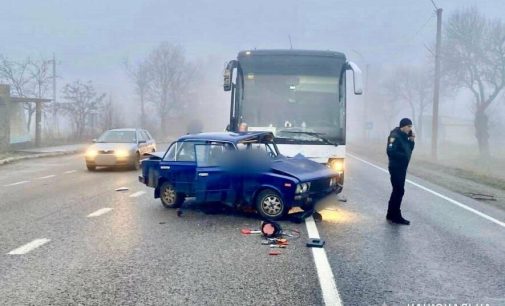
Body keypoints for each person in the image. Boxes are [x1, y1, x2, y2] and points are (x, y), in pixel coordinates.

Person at [386, 118, 415, 225]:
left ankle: (390, 214)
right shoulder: (395, 136)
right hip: (396, 167)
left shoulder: (404, 137)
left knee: (397, 190)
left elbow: (409, 150)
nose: (410, 129)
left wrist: (411, 141)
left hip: (402, 168)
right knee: (399, 191)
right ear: (403, 126)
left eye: (411, 127)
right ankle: (396, 216)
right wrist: (403, 157)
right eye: (408, 126)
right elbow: (390, 151)